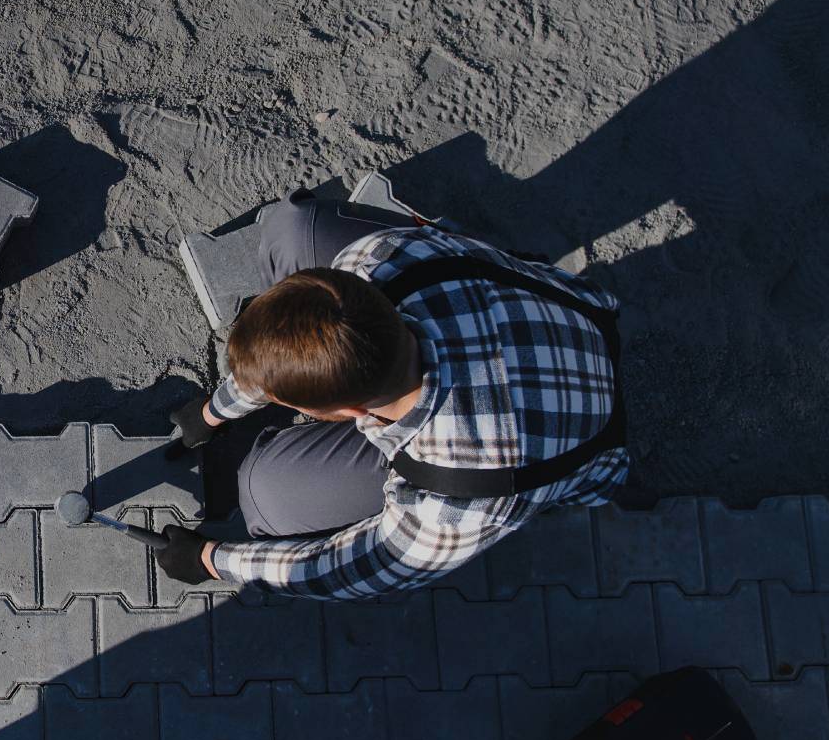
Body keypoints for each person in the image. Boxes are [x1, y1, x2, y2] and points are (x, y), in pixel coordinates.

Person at [156, 188, 629, 598]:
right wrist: (214, 412)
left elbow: (350, 569)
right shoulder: (378, 261)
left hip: (580, 441)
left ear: (349, 411)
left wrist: (213, 560)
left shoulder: (455, 498)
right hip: (575, 321)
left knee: (264, 494)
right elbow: (287, 350)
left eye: (291, 403)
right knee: (294, 228)